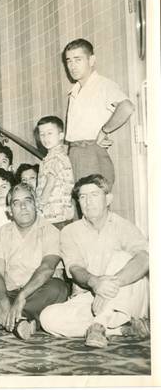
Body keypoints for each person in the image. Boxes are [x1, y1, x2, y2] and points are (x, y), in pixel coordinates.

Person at [40, 174, 149, 348]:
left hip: (126, 297)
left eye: (94, 195)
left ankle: (99, 325)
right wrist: (95, 283)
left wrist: (107, 287)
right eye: (83, 197)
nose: (88, 202)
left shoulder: (124, 226)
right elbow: (75, 268)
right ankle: (119, 330)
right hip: (90, 296)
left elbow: (145, 260)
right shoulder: (69, 232)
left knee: (122, 257)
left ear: (108, 199)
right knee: (47, 318)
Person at [0, 183, 68, 341]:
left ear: (35, 204)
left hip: (36, 293)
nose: (23, 206)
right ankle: (20, 321)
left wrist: (22, 297)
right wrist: (3, 300)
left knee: (59, 288)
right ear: (9, 211)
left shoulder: (51, 231)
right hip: (5, 293)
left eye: (27, 201)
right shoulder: (1, 233)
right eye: (16, 203)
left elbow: (47, 268)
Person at [63, 39, 134, 185]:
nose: (72, 66)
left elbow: (127, 107)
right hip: (74, 152)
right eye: (69, 61)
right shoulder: (75, 91)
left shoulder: (102, 85)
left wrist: (104, 130)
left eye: (78, 60)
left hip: (90, 153)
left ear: (91, 60)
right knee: (79, 204)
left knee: (93, 202)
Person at [35, 116, 75, 228]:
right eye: (42, 134)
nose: (45, 138)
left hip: (54, 215)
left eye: (49, 133)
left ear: (61, 135)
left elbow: (50, 183)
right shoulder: (56, 155)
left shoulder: (55, 157)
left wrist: (40, 205)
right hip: (60, 214)